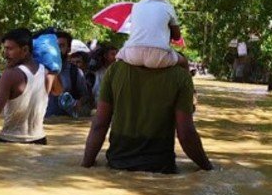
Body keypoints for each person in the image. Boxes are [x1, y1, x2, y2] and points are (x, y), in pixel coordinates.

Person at [81, 59, 212, 173]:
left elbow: (99, 125)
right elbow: (186, 135)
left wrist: (85, 165)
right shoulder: (181, 76)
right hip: (161, 169)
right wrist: (208, 168)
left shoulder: (114, 70)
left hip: (117, 165)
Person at [0, 28, 59, 144]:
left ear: (25, 50)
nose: (5, 54)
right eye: (4, 49)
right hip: (40, 140)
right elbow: (57, 92)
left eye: (9, 49)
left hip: (12, 140)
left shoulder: (10, 74)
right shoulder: (48, 72)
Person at [115, 0, 189, 70]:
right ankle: (188, 82)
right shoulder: (168, 7)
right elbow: (177, 36)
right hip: (159, 56)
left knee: (118, 57)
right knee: (184, 61)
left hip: (133, 54)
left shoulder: (135, 7)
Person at [46, 30, 91, 118]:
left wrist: (78, 103)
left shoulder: (75, 72)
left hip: (67, 123)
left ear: (69, 49)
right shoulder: (42, 69)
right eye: (55, 46)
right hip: (43, 122)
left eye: (61, 46)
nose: (57, 49)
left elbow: (85, 95)